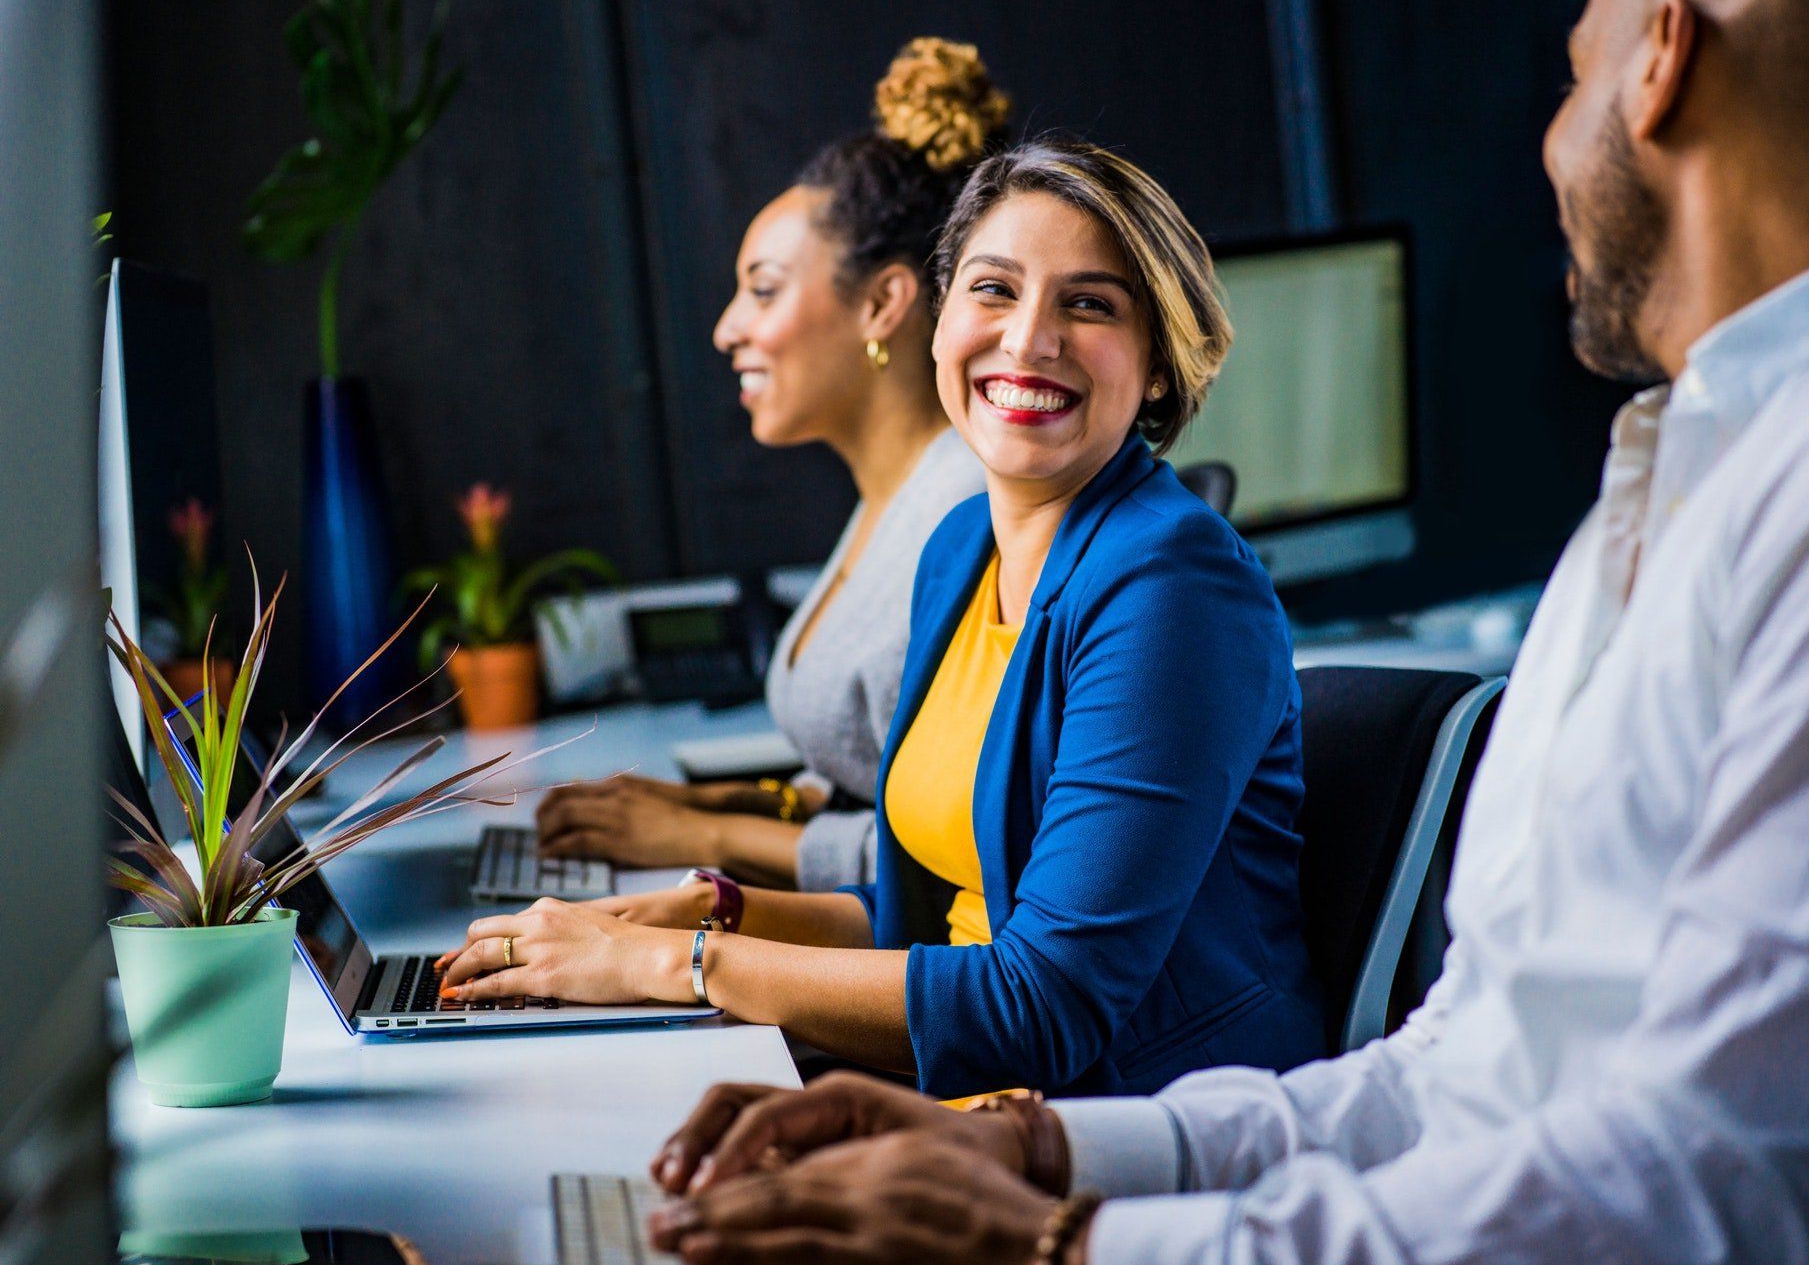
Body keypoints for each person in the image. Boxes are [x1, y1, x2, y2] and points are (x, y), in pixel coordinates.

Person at [637, 0, 1809, 1265]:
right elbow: (1462, 1078)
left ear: (1660, 64)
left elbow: (1705, 1191)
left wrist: (1062, 1256)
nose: (1552, 139)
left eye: (1571, 75)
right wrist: (1031, 1150)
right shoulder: (1682, 463)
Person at [443, 140, 1326, 1100]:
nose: (1029, 339)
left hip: (1142, 1127)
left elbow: (1045, 1004)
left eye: (1089, 304)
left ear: (1158, 366)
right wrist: (703, 913)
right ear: (941, 319)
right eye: (993, 290)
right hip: (971, 1094)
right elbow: (928, 920)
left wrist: (676, 965)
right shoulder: (958, 550)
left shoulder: (1173, 586)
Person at [532, 38, 993, 891]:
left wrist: (703, 840)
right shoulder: (892, 498)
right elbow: (876, 781)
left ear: (883, 302)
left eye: (765, 288)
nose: (727, 328)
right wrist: (721, 807)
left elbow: (949, 863)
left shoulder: (965, 518)